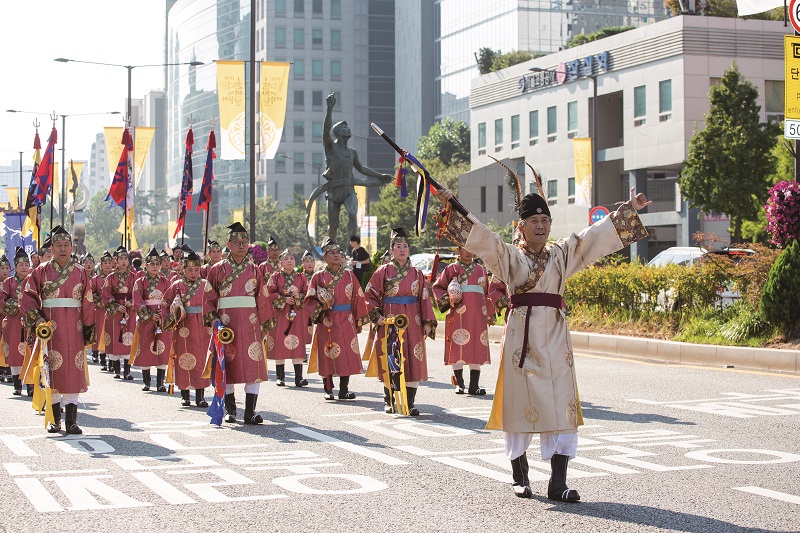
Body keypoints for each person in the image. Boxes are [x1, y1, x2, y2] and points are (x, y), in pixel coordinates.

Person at [437, 185, 651, 501]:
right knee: (518, 408)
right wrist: (451, 204)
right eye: (533, 220)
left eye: (545, 220)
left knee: (562, 407)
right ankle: (519, 477)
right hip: (520, 339)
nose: (540, 225)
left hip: (555, 339)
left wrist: (627, 211)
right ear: (520, 226)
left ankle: (558, 483)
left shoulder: (562, 253)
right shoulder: (508, 254)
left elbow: (594, 238)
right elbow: (482, 236)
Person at [21, 225, 94, 434]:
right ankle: (54, 419)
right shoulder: (40, 272)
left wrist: (88, 328)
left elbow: (87, 301)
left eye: (66, 245)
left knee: (73, 371)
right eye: (58, 245)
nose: (63, 249)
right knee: (52, 370)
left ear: (72, 248)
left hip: (75, 326)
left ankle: (71, 421)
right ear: (51, 248)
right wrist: (38, 322)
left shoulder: (80, 272)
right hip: (50, 328)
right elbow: (29, 297)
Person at [204, 222, 275, 424]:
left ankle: (250, 412)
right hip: (227, 323)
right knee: (228, 364)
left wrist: (264, 324)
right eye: (237, 242)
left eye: (244, 242)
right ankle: (231, 410)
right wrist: (214, 319)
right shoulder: (217, 270)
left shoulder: (254, 270)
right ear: (229, 244)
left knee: (253, 366)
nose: (241, 246)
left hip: (251, 322)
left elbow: (262, 296)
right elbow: (208, 297)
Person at [365, 228, 437, 416]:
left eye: (405, 246)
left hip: (413, 320)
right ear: (391, 250)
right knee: (391, 357)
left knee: (414, 357)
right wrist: (378, 317)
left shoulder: (417, 273)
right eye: (398, 246)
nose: (402, 250)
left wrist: (427, 321)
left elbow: (424, 297)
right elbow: (370, 294)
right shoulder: (383, 271)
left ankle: (410, 402)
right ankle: (388, 400)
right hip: (390, 319)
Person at [321, 92, 393, 239]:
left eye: (348, 128)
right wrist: (329, 110)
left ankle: (351, 248)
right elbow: (326, 130)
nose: (348, 130)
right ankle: (331, 248)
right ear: (339, 133)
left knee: (353, 215)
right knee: (334, 225)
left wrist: (380, 176)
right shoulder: (331, 148)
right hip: (334, 191)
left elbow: (362, 169)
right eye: (345, 128)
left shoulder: (352, 152)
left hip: (348, 189)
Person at [304, 238, 368, 400]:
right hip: (327, 319)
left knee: (346, 354)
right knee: (328, 353)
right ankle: (327, 389)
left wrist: (358, 320)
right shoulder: (319, 276)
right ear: (324, 257)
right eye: (332, 253)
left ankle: (344, 389)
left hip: (347, 319)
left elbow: (358, 297)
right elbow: (310, 299)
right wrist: (321, 308)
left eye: (338, 252)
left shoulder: (349, 275)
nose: (336, 255)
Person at [432, 245, 492, 395]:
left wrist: (490, 313)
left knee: (476, 346)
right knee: (458, 346)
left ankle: (474, 385)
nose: (469, 251)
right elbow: (438, 287)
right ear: (458, 250)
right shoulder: (451, 269)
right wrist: (449, 299)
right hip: (458, 313)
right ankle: (460, 384)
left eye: (472, 248)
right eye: (465, 248)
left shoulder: (481, 269)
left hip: (478, 313)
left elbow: (488, 293)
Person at [163, 247, 211, 407]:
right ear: (183, 269)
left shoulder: (206, 285)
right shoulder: (177, 285)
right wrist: (173, 313)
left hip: (203, 327)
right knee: (184, 359)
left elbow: (214, 303)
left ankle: (200, 395)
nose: (193, 273)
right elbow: (165, 303)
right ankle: (185, 395)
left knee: (202, 360)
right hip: (183, 326)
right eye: (190, 270)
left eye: (197, 270)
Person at [131, 247, 173, 393]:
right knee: (145, 346)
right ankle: (147, 381)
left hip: (162, 318)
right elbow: (137, 300)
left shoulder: (166, 281)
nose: (155, 267)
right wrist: (149, 315)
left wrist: (164, 311)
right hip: (146, 319)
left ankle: (160, 383)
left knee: (163, 346)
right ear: (146, 265)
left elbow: (170, 299)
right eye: (152, 264)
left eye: (157, 264)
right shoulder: (140, 282)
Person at [266, 249, 309, 387]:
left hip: (297, 314)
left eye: (291, 258)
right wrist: (283, 299)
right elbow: (268, 293)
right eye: (286, 258)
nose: (289, 260)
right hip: (280, 314)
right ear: (281, 262)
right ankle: (280, 377)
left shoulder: (301, 277)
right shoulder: (275, 277)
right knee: (280, 342)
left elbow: (307, 293)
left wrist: (299, 297)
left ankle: (298, 377)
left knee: (297, 343)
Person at [102, 246, 137, 380]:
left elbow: (138, 293)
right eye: (121, 258)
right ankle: (117, 370)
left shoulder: (134, 277)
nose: (123, 261)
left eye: (125, 259)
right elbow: (106, 294)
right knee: (115, 338)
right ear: (116, 261)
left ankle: (127, 371)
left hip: (129, 311)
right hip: (114, 312)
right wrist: (116, 306)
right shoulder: (110, 277)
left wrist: (132, 302)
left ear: (129, 261)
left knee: (128, 338)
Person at [0, 247, 31, 395]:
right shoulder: (8, 282)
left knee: (31, 350)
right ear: (15, 267)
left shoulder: (34, 280)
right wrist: (15, 305)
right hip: (13, 321)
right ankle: (17, 385)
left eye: (26, 265)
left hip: (31, 320)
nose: (24, 267)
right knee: (14, 351)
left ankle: (31, 385)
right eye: (21, 265)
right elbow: (1, 299)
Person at [92, 251, 114, 370]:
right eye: (105, 263)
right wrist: (101, 302)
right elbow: (91, 293)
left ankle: (112, 361)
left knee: (111, 333)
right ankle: (102, 359)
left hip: (112, 309)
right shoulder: (95, 279)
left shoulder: (115, 278)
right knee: (100, 332)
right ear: (101, 265)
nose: (107, 265)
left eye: (109, 263)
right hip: (100, 310)